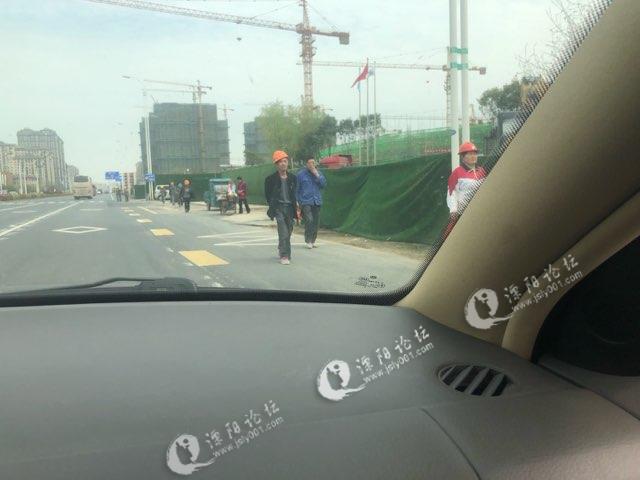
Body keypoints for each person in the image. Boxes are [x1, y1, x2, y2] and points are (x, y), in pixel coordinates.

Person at [444, 141, 487, 238]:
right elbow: (451, 193)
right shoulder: (456, 173)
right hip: (462, 214)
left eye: (475, 153)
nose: (473, 156)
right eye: (470, 154)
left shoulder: (482, 171)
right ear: (463, 157)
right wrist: (453, 210)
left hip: (479, 212)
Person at [265, 150, 299, 265]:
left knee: (288, 232)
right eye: (280, 162)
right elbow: (268, 195)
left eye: (285, 161)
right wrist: (273, 207)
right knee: (283, 232)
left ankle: (281, 246)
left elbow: (295, 193)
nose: (283, 164)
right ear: (276, 164)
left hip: (290, 208)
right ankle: (285, 255)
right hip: (278, 208)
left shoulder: (293, 178)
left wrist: (297, 207)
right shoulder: (270, 179)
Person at [296, 158, 327, 249]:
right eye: (310, 163)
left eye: (313, 162)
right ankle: (308, 240)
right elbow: (297, 189)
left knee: (316, 222)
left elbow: (323, 184)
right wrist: (297, 201)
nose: (312, 164)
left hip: (316, 201)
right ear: (306, 164)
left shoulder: (318, 173)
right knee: (309, 220)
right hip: (305, 201)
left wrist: (316, 174)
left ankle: (313, 241)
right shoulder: (301, 175)